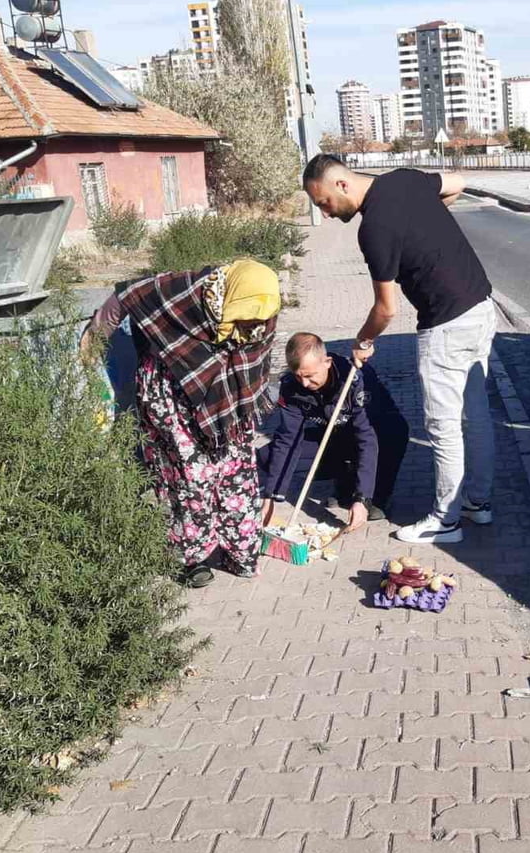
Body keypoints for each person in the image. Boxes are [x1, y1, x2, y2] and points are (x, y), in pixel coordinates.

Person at [302, 154, 496, 545]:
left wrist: (362, 341)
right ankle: (479, 502)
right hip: (481, 308)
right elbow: (456, 182)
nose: (323, 214)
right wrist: (423, 222)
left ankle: (445, 520)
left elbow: (385, 309)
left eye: (322, 203)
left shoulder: (373, 229)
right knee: (475, 415)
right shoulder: (405, 179)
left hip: (446, 324)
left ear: (341, 184)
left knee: (443, 427)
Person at [81, 259, 281, 587]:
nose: (255, 322)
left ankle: (241, 550)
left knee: (236, 475)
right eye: (246, 313)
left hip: (228, 404)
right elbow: (128, 294)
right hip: (171, 396)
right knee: (190, 477)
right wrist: (96, 335)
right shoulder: (185, 291)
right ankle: (193, 559)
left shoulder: (263, 302)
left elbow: (255, 356)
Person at [258, 332, 409, 529]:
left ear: (327, 362)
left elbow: (366, 438)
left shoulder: (355, 379)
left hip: (377, 433)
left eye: (310, 376)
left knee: (390, 435)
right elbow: (288, 440)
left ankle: (377, 496)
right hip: (336, 434)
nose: (304, 383)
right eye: (299, 376)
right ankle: (344, 484)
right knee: (266, 455)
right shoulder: (291, 387)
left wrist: (362, 498)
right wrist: (271, 497)